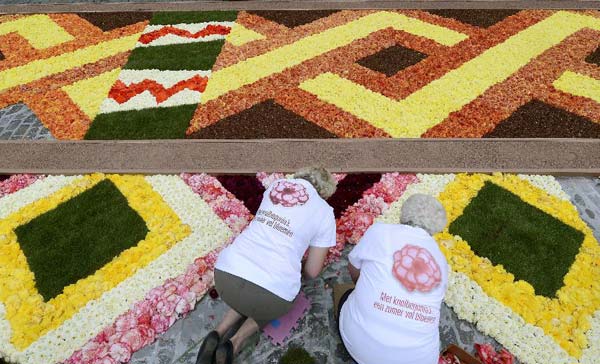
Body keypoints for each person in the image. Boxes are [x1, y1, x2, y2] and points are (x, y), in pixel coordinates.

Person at [196, 167, 338, 364]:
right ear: (324, 193)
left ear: (299, 177)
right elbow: (312, 271)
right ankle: (234, 343)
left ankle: (217, 332)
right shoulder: (324, 212)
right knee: (272, 296)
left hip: (226, 276)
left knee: (255, 288)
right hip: (270, 293)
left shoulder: (276, 186)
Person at [337, 194, 449, 364]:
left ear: (404, 214)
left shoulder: (380, 231)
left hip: (360, 347)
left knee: (346, 295)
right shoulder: (441, 261)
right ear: (436, 228)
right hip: (420, 359)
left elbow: (353, 267)